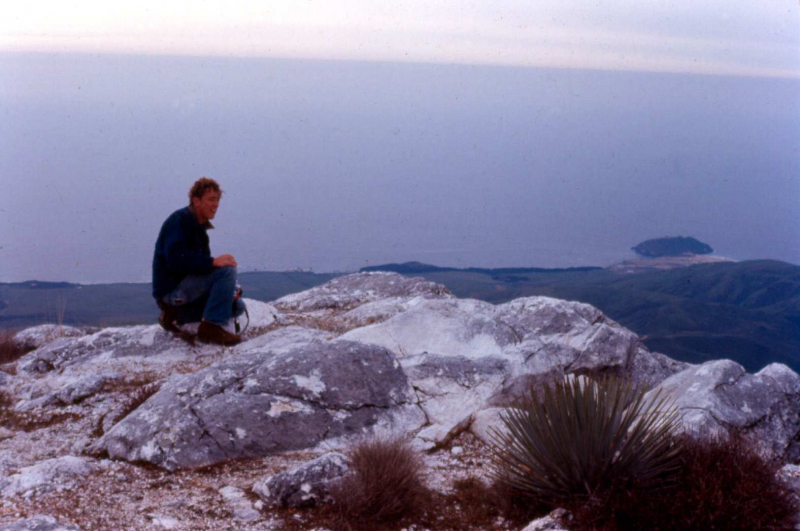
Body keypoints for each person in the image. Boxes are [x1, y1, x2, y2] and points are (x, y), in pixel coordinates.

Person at [152, 177, 246, 345]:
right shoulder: (179, 220)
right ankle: (211, 328)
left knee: (237, 306)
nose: (216, 204)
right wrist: (212, 262)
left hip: (185, 289)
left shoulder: (199, 228)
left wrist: (227, 290)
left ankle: (175, 315)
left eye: (217, 200)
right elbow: (175, 259)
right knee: (226, 270)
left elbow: (200, 271)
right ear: (196, 201)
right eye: (211, 199)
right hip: (171, 291)